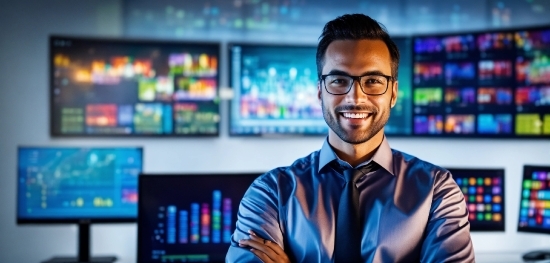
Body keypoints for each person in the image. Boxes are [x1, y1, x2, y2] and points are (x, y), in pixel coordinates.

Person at [226, 13, 474, 263]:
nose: (355, 97)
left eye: (374, 81)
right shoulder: (271, 194)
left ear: (394, 93)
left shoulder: (437, 192)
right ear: (320, 92)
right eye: (339, 80)